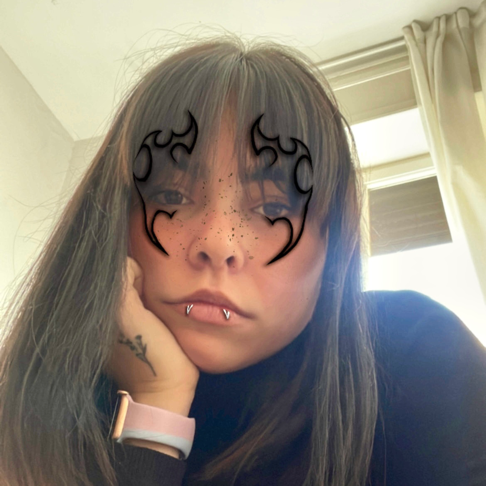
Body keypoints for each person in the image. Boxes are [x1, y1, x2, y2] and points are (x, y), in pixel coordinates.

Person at [0, 33, 485, 486]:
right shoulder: (32, 417)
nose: (218, 241)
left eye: (273, 208)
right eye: (171, 195)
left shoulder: (414, 355)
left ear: (331, 245)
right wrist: (157, 404)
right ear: (112, 221)